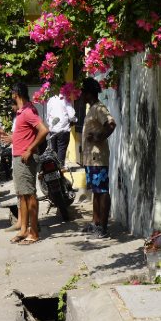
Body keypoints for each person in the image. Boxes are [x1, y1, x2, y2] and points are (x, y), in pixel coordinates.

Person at [9, 83, 49, 245]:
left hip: (25, 159)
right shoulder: (21, 112)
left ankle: (34, 232)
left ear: (15, 94)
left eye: (12, 92)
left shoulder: (27, 112)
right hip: (19, 158)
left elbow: (44, 130)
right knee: (23, 196)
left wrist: (30, 150)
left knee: (30, 195)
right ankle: (24, 229)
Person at [80, 78, 116, 238]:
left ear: (88, 93)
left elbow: (111, 124)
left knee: (102, 191)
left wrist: (99, 137)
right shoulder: (92, 108)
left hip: (97, 158)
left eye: (83, 92)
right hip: (91, 159)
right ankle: (96, 222)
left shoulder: (99, 108)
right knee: (96, 191)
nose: (81, 95)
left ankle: (104, 228)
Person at [46, 89, 76, 166]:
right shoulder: (65, 99)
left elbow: (48, 116)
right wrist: (74, 120)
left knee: (54, 153)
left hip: (53, 130)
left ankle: (54, 173)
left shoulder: (50, 100)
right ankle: (59, 171)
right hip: (63, 130)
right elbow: (72, 115)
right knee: (61, 154)